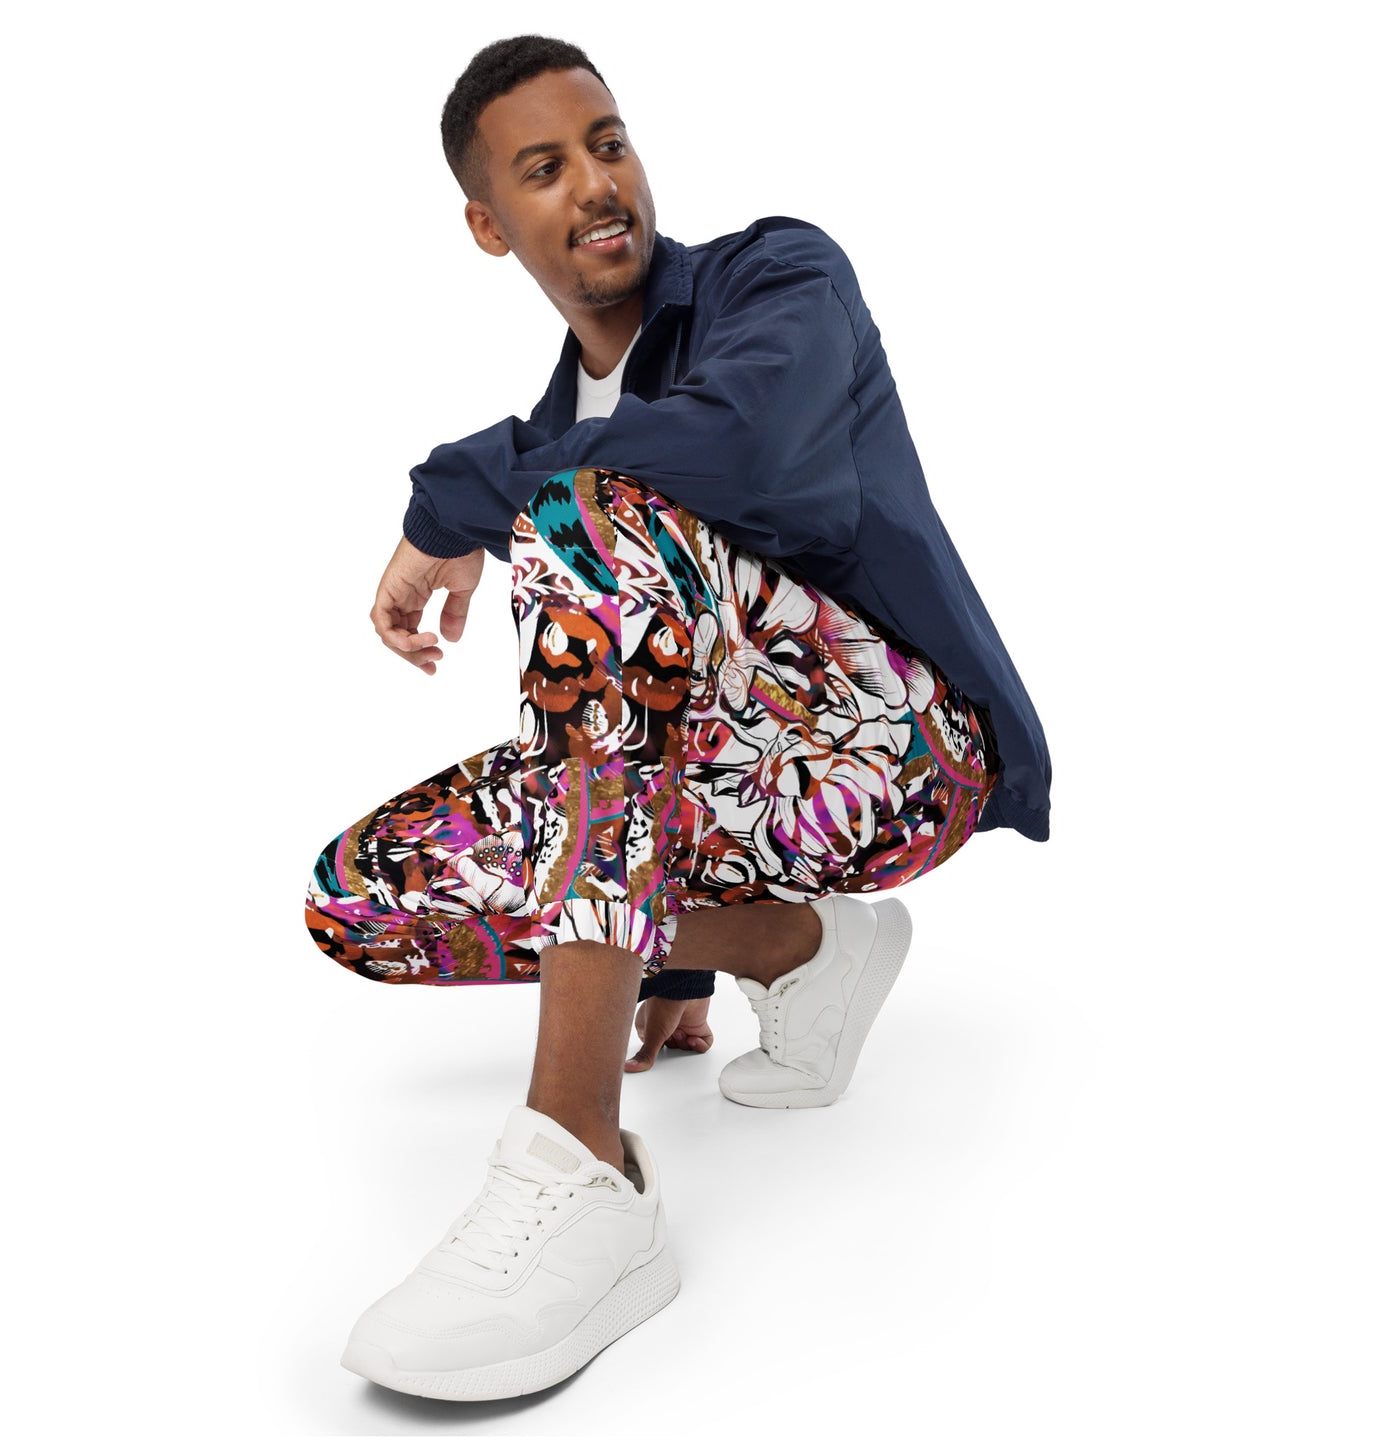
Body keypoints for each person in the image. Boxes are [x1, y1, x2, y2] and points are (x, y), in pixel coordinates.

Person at [304, 34, 1051, 1402]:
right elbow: (634, 707)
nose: (597, 184)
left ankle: (578, 1168)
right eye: (544, 168)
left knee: (584, 520)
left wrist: (458, 495)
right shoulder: (564, 420)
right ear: (489, 225)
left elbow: (738, 449)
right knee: (367, 892)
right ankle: (797, 948)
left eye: (608, 143)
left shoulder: (780, 279)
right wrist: (669, 963)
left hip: (898, 750)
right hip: (737, 805)